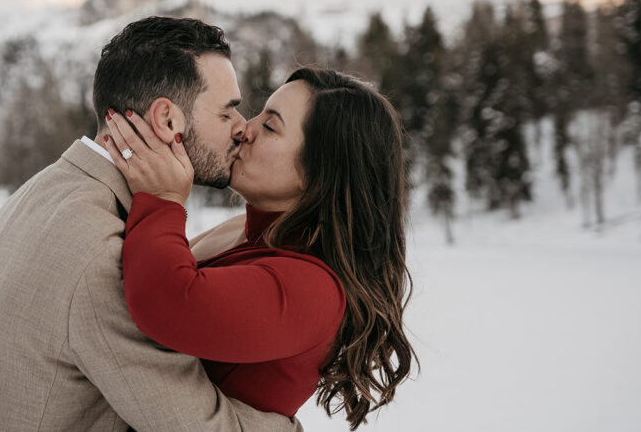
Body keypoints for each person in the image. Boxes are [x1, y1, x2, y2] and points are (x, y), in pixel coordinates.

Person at [0, 17, 302, 431]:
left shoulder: (46, 190)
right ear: (167, 121)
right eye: (226, 112)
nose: (242, 127)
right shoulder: (105, 257)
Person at [103, 67, 416, 429]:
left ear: (318, 172)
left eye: (270, 126)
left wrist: (162, 199)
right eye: (259, 114)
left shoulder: (314, 291)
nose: (243, 128)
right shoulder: (246, 231)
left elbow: (168, 303)